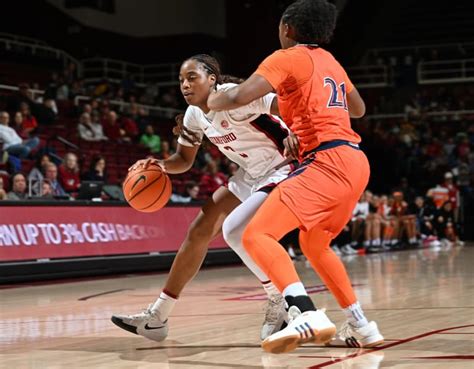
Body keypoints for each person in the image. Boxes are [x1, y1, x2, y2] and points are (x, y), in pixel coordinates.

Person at [207, 0, 383, 353]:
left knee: (256, 234)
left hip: (326, 162)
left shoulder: (285, 57)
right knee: (314, 245)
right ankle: (362, 326)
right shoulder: (330, 61)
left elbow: (240, 94)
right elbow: (359, 108)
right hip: (355, 162)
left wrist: (213, 100)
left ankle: (305, 313)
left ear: (287, 27)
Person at [112, 54, 292, 343]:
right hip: (251, 173)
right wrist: (158, 164)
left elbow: (287, 104)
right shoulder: (194, 115)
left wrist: (298, 133)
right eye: (181, 79)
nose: (185, 84)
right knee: (199, 231)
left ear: (212, 79)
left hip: (284, 166)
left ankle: (280, 300)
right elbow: (183, 160)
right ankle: (158, 317)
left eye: (192, 77)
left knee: (236, 231)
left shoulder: (236, 97)